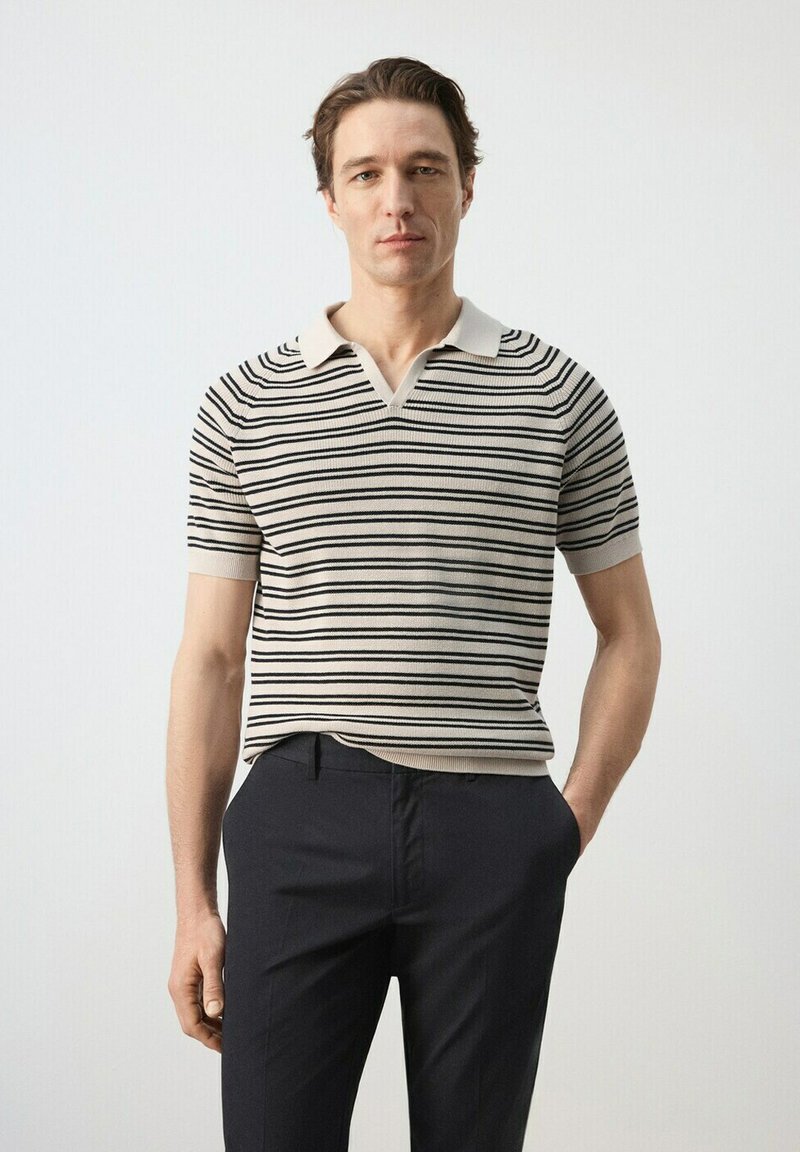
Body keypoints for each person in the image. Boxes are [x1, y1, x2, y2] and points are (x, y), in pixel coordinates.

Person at [166, 55, 661, 1152]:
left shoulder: (558, 395)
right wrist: (194, 901)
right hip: (300, 817)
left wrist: (561, 824)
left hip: (493, 826)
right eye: (368, 173)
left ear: (467, 186)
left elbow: (629, 635)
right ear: (330, 198)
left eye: (426, 169)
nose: (398, 199)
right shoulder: (246, 404)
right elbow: (210, 659)